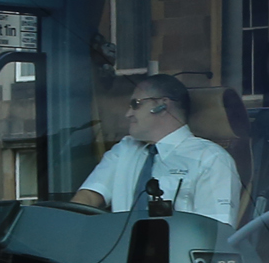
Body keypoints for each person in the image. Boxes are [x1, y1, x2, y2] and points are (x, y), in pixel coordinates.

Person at [72, 73, 240, 223]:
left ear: (162, 106)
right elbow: (88, 197)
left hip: (177, 254)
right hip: (120, 253)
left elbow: (216, 230)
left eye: (135, 104)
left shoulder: (211, 158)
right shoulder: (125, 149)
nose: (128, 113)